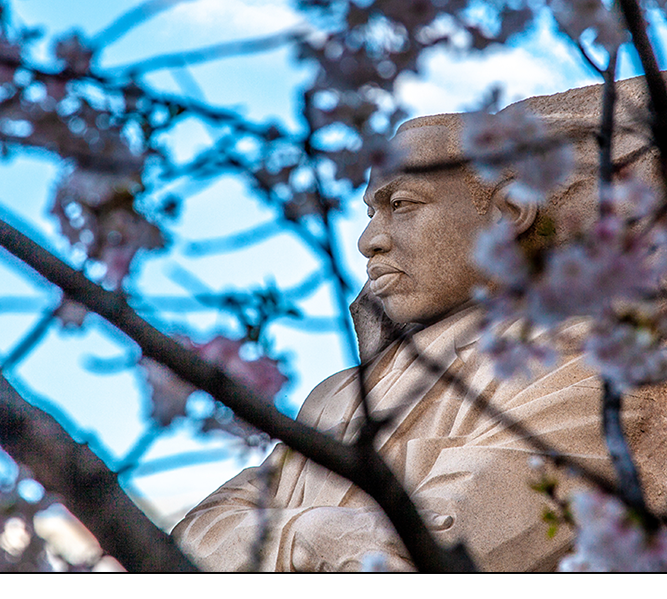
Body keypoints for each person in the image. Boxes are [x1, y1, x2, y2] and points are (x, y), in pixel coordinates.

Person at [171, 94, 616, 572]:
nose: (369, 241)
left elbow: (448, 545)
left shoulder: (576, 356)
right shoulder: (334, 397)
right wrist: (310, 537)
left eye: (401, 204)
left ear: (508, 213)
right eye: (370, 213)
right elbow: (193, 537)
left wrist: (287, 536)